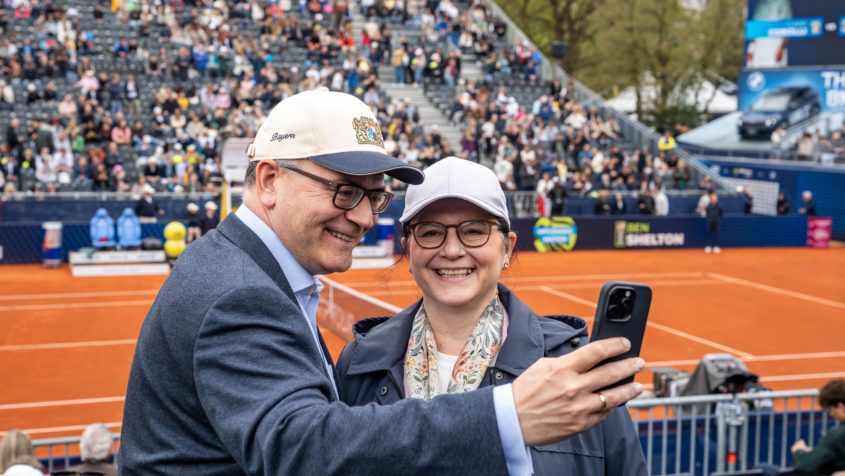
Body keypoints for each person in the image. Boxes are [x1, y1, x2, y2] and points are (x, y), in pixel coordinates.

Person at [119, 90, 644, 474]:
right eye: (346, 191)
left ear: (507, 246)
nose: (364, 217)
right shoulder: (244, 292)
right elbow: (303, 448)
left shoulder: (251, 273)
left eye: (374, 197)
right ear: (270, 180)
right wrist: (509, 414)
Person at [337, 157, 648, 475]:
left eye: (474, 231)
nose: (452, 250)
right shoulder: (359, 364)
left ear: (507, 249)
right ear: (408, 251)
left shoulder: (577, 367)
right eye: (430, 233)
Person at [758, 379, 845, 475]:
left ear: (840, 406)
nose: (831, 414)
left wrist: (799, 451)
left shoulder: (837, 434)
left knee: (763, 469)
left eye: (831, 409)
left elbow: (805, 465)